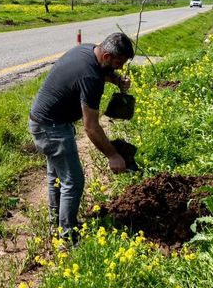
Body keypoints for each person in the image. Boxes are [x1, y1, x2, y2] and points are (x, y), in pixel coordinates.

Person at [27, 32, 134, 242]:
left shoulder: (87, 50)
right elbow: (91, 127)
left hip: (43, 121)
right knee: (73, 181)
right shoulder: (91, 78)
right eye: (118, 63)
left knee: (57, 176)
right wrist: (113, 155)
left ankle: (55, 224)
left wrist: (116, 80)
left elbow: (101, 72)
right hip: (51, 128)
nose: (119, 68)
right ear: (106, 57)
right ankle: (67, 237)